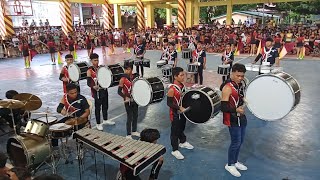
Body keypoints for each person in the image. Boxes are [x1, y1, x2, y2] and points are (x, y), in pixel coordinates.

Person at [220, 63, 248, 177]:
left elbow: (239, 97)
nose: (240, 78)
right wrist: (236, 109)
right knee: (235, 142)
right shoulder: (227, 88)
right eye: (238, 76)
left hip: (241, 117)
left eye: (242, 76)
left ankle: (235, 161)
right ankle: (230, 164)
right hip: (232, 119)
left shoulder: (240, 84)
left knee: (240, 141)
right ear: (232, 73)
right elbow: (223, 107)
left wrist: (243, 100)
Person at [167, 67, 194, 160]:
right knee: (174, 132)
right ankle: (174, 150)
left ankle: (182, 142)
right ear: (175, 76)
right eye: (181, 75)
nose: (184, 77)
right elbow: (169, 103)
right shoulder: (172, 89)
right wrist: (179, 107)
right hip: (175, 113)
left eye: (184, 75)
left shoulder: (182, 86)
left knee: (181, 128)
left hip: (182, 113)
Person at [87, 53, 114, 131]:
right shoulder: (89, 70)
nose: (97, 61)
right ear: (91, 61)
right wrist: (93, 86)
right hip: (97, 91)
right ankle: (98, 123)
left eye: (97, 60)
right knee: (98, 108)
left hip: (104, 89)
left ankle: (105, 120)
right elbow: (88, 82)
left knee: (105, 105)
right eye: (95, 60)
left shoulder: (101, 68)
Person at [118, 63, 140, 139]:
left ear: (131, 69)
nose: (126, 71)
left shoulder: (135, 77)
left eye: (128, 69)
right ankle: (128, 134)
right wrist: (125, 97)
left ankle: (134, 130)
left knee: (136, 116)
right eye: (125, 69)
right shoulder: (122, 79)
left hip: (135, 100)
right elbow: (119, 91)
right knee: (129, 117)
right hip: (128, 101)